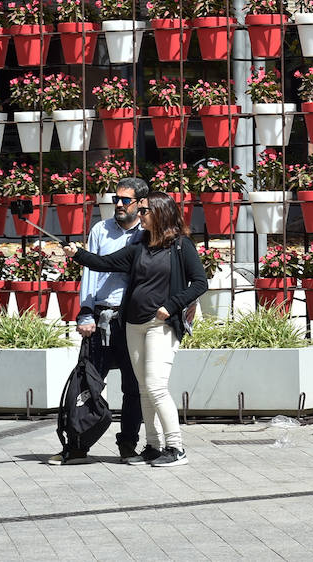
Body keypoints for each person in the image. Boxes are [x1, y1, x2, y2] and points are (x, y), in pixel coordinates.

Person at [64, 191, 207, 468]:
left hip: (161, 325)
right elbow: (105, 263)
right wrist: (78, 254)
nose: (139, 215)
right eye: (139, 210)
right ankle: (153, 446)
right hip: (134, 325)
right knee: (143, 389)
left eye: (144, 211)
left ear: (160, 213)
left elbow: (199, 283)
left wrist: (172, 305)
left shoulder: (181, 246)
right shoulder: (140, 245)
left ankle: (175, 447)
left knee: (155, 386)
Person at [49, 176, 148, 466]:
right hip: (100, 319)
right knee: (87, 383)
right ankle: (77, 446)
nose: (118, 204)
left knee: (133, 387)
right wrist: (86, 312)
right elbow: (90, 274)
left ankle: (128, 444)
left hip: (131, 321)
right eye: (115, 199)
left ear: (141, 203)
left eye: (125, 200)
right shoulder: (101, 230)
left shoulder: (147, 234)